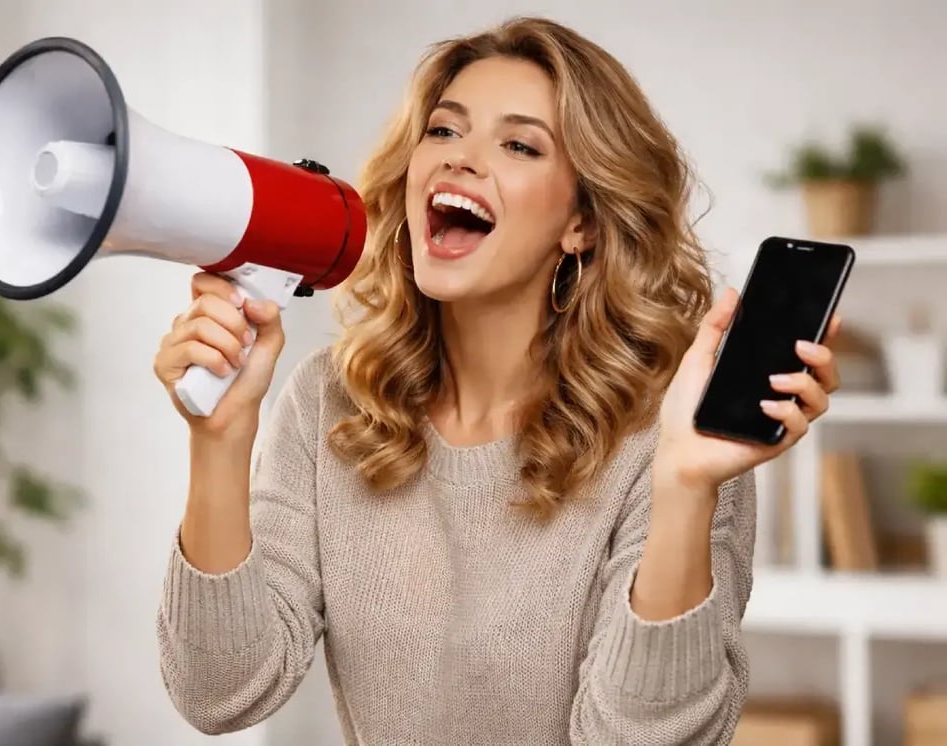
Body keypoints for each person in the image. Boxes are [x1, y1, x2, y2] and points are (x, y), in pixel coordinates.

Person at [151, 15, 843, 746]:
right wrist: (219, 441)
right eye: (444, 131)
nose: (461, 161)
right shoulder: (332, 402)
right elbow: (219, 692)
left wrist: (684, 487)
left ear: (581, 224)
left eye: (519, 145)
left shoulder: (673, 434)